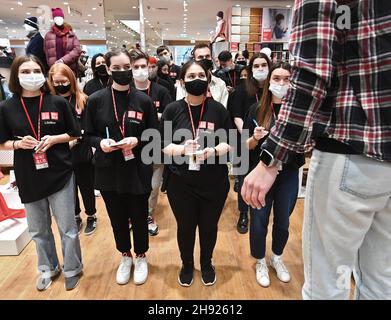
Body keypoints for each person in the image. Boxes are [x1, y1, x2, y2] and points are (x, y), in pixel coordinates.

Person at [242, 0, 391, 300]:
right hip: (375, 156)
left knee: (327, 285)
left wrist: (270, 158)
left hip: (350, 151)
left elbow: (312, 75)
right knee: (380, 282)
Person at [0, 55, 83, 291]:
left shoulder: (57, 102)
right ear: (16, 76)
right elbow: (2, 142)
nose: (31, 75)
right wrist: (17, 145)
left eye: (36, 70)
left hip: (60, 172)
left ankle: (72, 268)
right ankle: (48, 268)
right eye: (25, 72)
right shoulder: (7, 107)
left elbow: (75, 133)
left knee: (67, 227)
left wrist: (54, 138)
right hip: (28, 175)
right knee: (38, 230)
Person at [84, 48, 158, 286]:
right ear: (108, 70)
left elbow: (154, 134)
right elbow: (88, 135)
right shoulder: (96, 100)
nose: (123, 72)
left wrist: (138, 140)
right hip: (108, 170)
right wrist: (100, 142)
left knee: (139, 216)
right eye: (116, 68)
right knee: (117, 218)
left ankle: (142, 255)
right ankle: (125, 256)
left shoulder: (144, 101)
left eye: (127, 66)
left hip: (137, 170)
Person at [160, 60, 231, 287]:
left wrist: (212, 151)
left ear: (208, 79)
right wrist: (182, 149)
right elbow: (162, 145)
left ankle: (207, 262)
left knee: (209, 227)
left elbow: (230, 144)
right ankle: (187, 263)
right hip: (181, 184)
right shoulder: (173, 110)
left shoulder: (218, 110)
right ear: (181, 81)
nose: (196, 79)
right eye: (190, 76)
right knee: (186, 227)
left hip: (214, 182)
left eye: (201, 74)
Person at [243, 62, 304, 287]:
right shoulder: (257, 110)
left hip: (288, 173)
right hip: (261, 175)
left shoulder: (298, 113)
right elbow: (245, 145)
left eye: (286, 79)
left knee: (283, 221)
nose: (281, 83)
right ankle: (260, 260)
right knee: (259, 220)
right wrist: (256, 139)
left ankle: (276, 257)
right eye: (276, 79)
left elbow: (305, 146)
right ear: (269, 83)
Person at [47, 63, 97, 235]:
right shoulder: (51, 102)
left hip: (82, 151)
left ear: (71, 79)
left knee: (86, 185)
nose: (61, 85)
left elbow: (87, 127)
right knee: (69, 188)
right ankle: (75, 215)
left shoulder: (83, 99)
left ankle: (91, 215)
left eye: (64, 81)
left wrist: (76, 138)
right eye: (57, 82)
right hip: (61, 154)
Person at [130, 49, 172, 236]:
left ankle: (148, 215)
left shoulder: (161, 90)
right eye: (136, 67)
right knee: (133, 184)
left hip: (156, 145)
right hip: (132, 147)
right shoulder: (126, 90)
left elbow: (170, 117)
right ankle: (133, 215)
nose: (140, 70)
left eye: (144, 66)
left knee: (153, 186)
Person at [228, 52, 271, 235]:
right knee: (243, 177)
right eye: (256, 66)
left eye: (264, 65)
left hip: (268, 142)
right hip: (245, 139)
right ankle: (243, 213)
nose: (260, 69)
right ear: (250, 69)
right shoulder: (241, 90)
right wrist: (248, 133)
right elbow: (236, 115)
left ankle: (260, 210)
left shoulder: (273, 89)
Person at [176, 43, 229, 108]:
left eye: (207, 56)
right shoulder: (186, 83)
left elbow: (223, 110)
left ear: (211, 58)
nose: (204, 59)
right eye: (200, 57)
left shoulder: (220, 84)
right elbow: (180, 107)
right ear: (194, 60)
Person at [44, 8, 81, 74]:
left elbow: (77, 50)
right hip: (54, 70)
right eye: (56, 17)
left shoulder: (71, 34)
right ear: (53, 19)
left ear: (63, 18)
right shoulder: (48, 35)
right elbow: (47, 54)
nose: (59, 19)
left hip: (70, 69)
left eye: (61, 17)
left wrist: (63, 60)